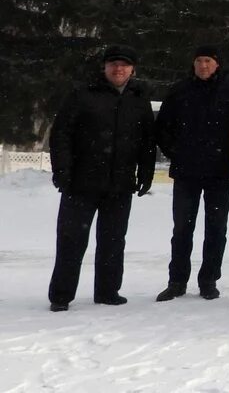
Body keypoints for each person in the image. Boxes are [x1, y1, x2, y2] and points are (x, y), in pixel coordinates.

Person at [48, 45, 156, 312]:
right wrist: (62, 171)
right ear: (105, 68)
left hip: (120, 184)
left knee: (113, 239)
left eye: (124, 65)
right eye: (113, 64)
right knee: (72, 240)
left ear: (133, 69)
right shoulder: (82, 95)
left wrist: (145, 171)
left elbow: (147, 142)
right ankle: (61, 295)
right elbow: (61, 135)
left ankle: (108, 291)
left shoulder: (138, 99)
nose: (118, 69)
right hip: (80, 182)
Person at [154, 45, 229, 302]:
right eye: (199, 61)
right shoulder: (180, 90)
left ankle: (209, 280)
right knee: (182, 228)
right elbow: (163, 127)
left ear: (217, 63)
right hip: (186, 172)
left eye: (208, 61)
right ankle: (177, 280)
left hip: (220, 171)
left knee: (216, 229)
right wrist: (177, 152)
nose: (203, 66)